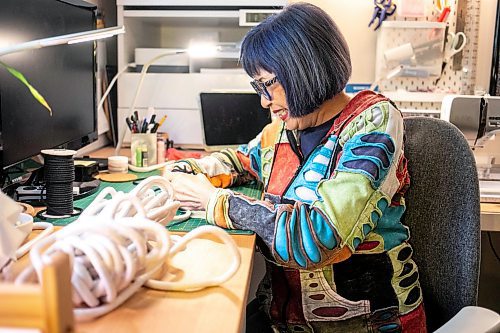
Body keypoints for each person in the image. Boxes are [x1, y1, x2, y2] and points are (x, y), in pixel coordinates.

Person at [163, 3, 426, 332]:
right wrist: (191, 170)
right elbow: (241, 161)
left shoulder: (373, 122)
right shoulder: (282, 131)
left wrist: (215, 202)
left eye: (266, 84)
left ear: (302, 69)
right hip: (283, 318)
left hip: (365, 324)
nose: (263, 101)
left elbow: (320, 238)